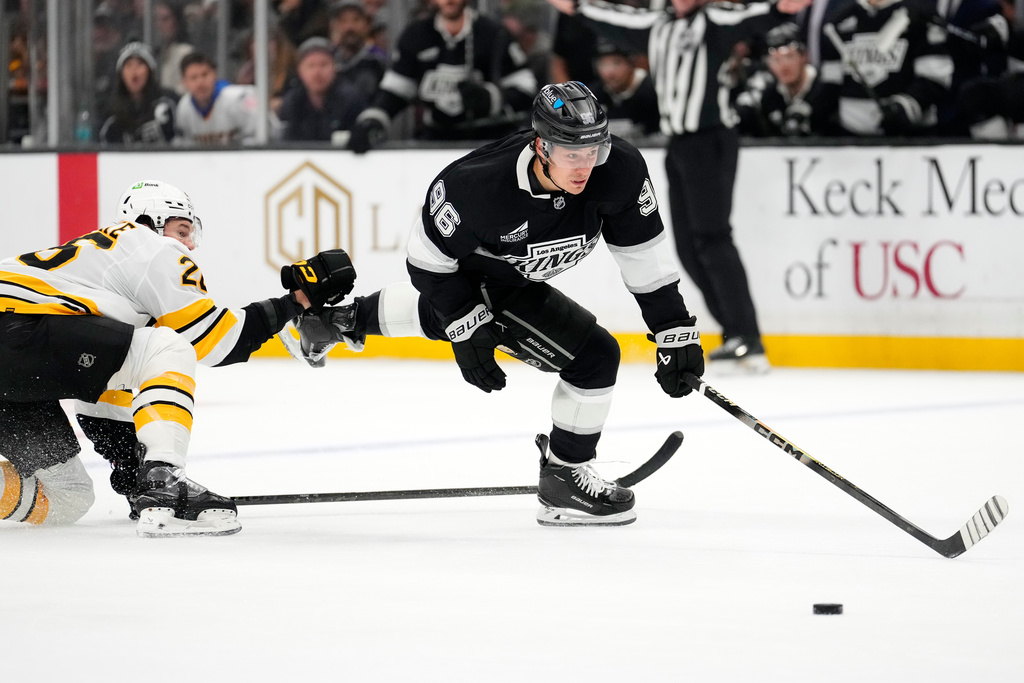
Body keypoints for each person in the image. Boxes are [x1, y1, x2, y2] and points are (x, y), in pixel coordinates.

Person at [287, 82, 705, 527]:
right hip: (472, 273)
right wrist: (466, 327)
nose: (585, 166)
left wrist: (673, 329)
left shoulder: (618, 170)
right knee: (595, 357)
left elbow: (642, 253)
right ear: (541, 146)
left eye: (593, 151)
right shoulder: (479, 186)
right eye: (571, 154)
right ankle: (564, 476)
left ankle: (334, 321)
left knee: (460, 312)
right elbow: (427, 265)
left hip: (512, 276)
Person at [0, 180, 354, 536]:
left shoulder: (99, 270)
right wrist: (296, 301)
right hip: (13, 331)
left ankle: (157, 482)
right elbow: (219, 343)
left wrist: (130, 463)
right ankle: (166, 483)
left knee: (67, 498)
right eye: (182, 228)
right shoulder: (148, 246)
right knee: (169, 346)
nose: (189, 243)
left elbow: (102, 393)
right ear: (149, 220)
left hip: (14, 355)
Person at [548, 0, 812, 373]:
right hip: (679, 145)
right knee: (689, 248)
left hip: (710, 140)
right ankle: (735, 334)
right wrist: (576, 7)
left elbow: (763, 13)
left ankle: (748, 338)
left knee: (713, 238)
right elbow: (611, 18)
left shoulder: (714, 21)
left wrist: (782, 8)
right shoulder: (656, 24)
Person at [348, 0, 538, 151]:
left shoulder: (493, 33)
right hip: (435, 140)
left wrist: (490, 98)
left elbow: (526, 88)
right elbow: (395, 92)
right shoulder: (416, 35)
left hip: (486, 141)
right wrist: (373, 120)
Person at [817, 0, 954, 137]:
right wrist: (812, 111)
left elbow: (935, 77)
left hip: (910, 141)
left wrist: (904, 107)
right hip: (851, 139)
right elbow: (831, 83)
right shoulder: (841, 18)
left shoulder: (919, 12)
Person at [734, 23, 833, 136]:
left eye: (789, 57)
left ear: (804, 56)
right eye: (776, 60)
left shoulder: (826, 88)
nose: (784, 66)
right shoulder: (769, 96)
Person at [277, 37, 368, 142]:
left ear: (335, 67)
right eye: (311, 66)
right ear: (300, 71)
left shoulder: (351, 99)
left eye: (324, 65)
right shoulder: (292, 102)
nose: (317, 73)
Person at [99, 41, 178, 145]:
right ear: (120, 74)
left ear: (150, 71)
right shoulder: (110, 114)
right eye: (128, 65)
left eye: (140, 64)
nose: (134, 71)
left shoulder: (169, 102)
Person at [174, 52, 259, 145]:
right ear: (184, 82)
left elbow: (260, 136)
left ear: (215, 74)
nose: (200, 82)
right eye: (193, 78)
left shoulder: (238, 98)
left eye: (205, 74)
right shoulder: (184, 107)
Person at [588, 41, 660, 139]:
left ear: (631, 64)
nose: (610, 72)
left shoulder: (654, 92)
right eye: (603, 64)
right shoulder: (592, 95)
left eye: (616, 63)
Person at [328, 0, 387, 101]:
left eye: (356, 20)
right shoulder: (327, 60)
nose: (349, 27)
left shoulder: (379, 59)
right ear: (335, 26)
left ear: (367, 25)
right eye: (343, 21)